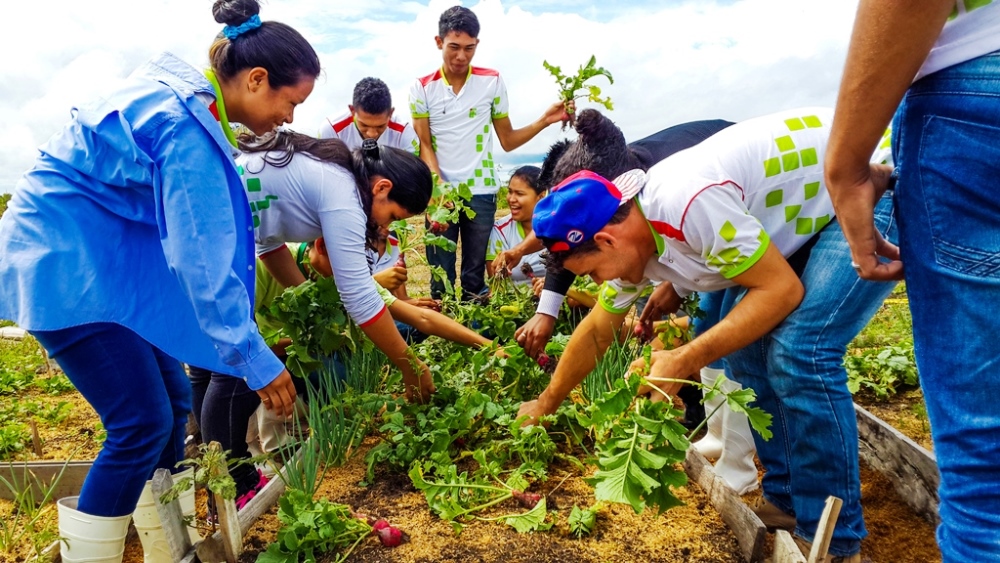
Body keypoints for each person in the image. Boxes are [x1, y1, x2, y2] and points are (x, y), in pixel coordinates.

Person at [0, 1, 320, 560]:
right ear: (256, 79)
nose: (290, 118)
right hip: (65, 269)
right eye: (290, 102)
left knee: (172, 404)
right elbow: (202, 260)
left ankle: (169, 545)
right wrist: (254, 358)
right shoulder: (185, 128)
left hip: (99, 266)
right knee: (140, 422)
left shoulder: (181, 97)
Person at [517, 107, 899, 562]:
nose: (600, 283)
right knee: (748, 351)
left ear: (606, 241)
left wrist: (683, 360)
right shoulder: (626, 227)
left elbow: (780, 291)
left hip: (869, 172)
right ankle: (788, 501)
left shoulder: (688, 202)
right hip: (807, 206)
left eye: (594, 272)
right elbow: (599, 330)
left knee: (802, 351)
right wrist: (546, 403)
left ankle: (835, 541)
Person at [825, 2, 1000, 560]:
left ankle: (835, 531)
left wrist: (846, 163)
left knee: (986, 465)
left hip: (978, 87)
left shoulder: (691, 204)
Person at [192, 130, 437, 506]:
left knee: (213, 371)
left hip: (207, 235)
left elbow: (269, 243)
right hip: (207, 242)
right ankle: (230, 491)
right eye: (392, 215)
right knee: (232, 375)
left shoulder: (331, 175)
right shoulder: (346, 196)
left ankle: (226, 486)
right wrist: (411, 366)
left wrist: (307, 298)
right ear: (382, 188)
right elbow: (360, 297)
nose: (385, 226)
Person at [492, 111, 735, 359]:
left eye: (592, 273)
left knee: (724, 317)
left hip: (743, 200)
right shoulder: (598, 192)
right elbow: (566, 240)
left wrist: (678, 290)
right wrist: (547, 309)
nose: (598, 281)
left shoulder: (657, 192)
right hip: (713, 231)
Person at [409, 5, 571, 299]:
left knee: (474, 278)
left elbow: (507, 140)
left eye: (469, 48)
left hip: (481, 191)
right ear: (438, 42)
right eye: (454, 47)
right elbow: (425, 144)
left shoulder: (492, 81)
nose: (461, 56)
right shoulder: (421, 88)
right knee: (440, 279)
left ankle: (474, 335)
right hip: (440, 194)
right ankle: (440, 338)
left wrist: (545, 121)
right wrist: (438, 185)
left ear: (477, 45)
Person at [319, 77, 419, 154]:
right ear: (352, 111)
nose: (372, 134)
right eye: (364, 125)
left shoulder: (404, 134)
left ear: (390, 113)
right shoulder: (331, 131)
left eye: (380, 126)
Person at [485, 165, 546, 285]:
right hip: (514, 302)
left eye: (519, 193)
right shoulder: (501, 231)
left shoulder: (560, 228)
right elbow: (496, 287)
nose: (511, 199)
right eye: (510, 192)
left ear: (541, 196)